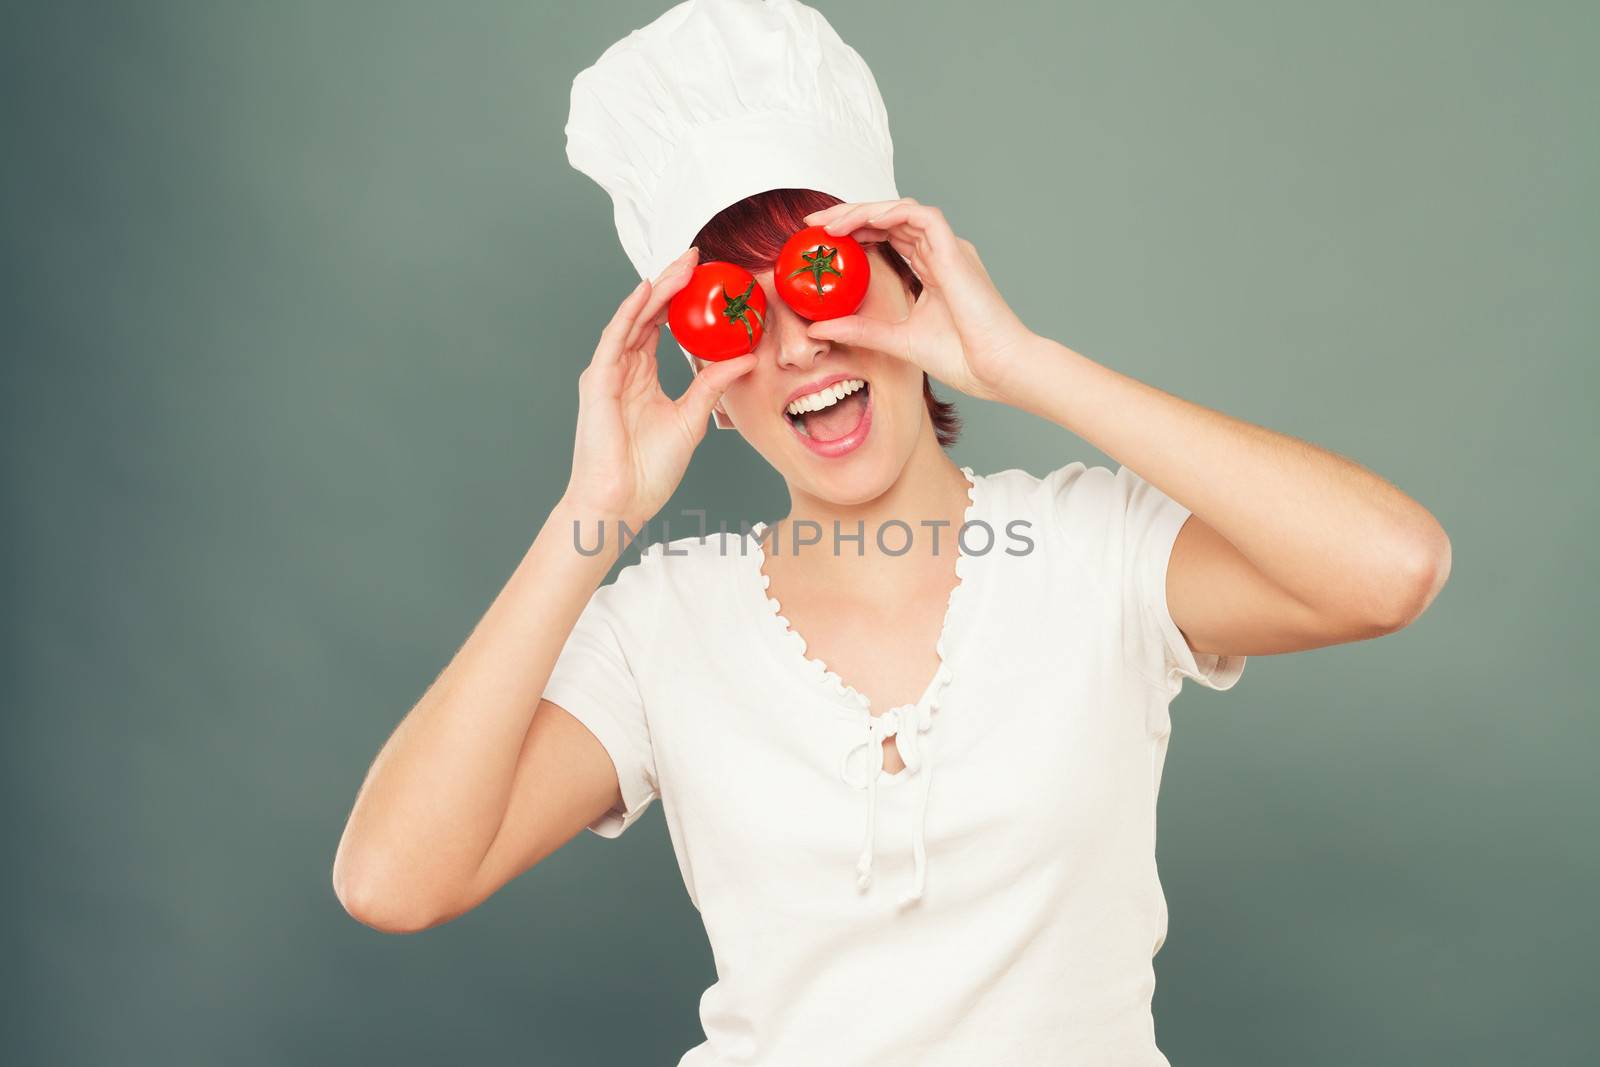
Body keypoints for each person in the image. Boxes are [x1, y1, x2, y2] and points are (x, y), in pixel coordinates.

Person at [331, 2, 1452, 1064]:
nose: (798, 350)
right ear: (707, 384)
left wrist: (1024, 366)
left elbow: (1390, 568)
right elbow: (393, 877)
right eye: (736, 316)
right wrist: (594, 515)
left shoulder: (1095, 548)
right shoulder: (663, 621)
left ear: (906, 276)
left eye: (820, 282)